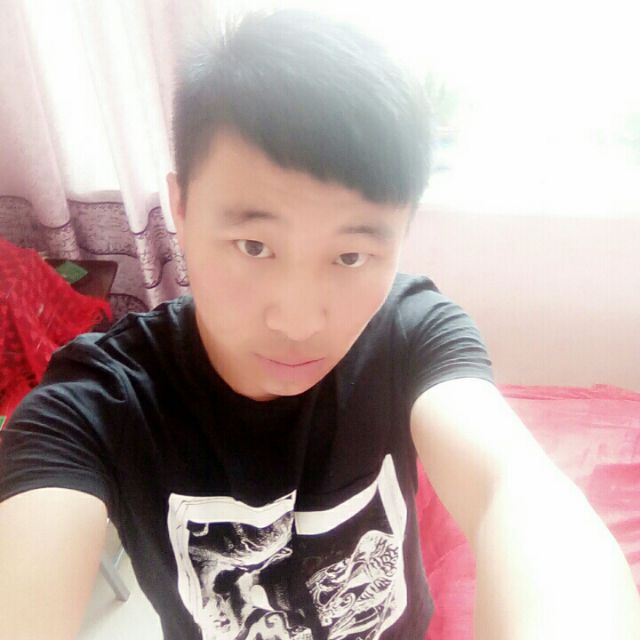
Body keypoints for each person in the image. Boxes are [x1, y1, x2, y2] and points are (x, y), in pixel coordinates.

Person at [1, 9, 639, 640]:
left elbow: (517, 492)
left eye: (351, 256)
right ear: (182, 209)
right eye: (254, 245)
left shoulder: (411, 332)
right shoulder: (99, 402)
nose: (299, 321)